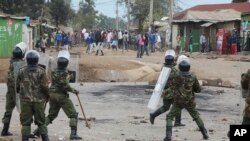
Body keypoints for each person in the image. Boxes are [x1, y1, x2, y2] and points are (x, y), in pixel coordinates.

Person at [33, 51, 82, 140]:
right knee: (73, 115)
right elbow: (64, 86)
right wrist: (74, 91)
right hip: (61, 96)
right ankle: (73, 134)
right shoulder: (65, 73)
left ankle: (38, 131)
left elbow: (59, 81)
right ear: (67, 63)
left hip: (52, 95)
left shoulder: (54, 71)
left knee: (51, 115)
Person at [164, 56, 209, 141]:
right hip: (189, 100)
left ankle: (168, 136)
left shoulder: (176, 76)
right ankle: (205, 133)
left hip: (178, 101)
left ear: (180, 68)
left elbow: (172, 86)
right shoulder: (193, 76)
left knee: (170, 116)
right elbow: (198, 89)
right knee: (196, 116)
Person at [16, 50, 50, 141]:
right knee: (41, 122)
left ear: (27, 60)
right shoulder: (42, 71)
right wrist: (47, 95)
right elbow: (45, 86)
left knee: (26, 123)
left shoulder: (21, 71)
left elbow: (17, 86)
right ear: (37, 60)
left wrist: (19, 91)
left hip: (25, 101)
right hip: (39, 101)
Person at [150, 50, 184, 126]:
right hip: (173, 91)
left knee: (166, 107)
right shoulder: (174, 70)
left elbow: (170, 66)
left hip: (165, 91)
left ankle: (153, 115)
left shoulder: (164, 67)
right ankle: (177, 122)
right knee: (178, 105)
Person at [1, 42, 27, 136]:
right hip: (16, 90)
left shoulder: (12, 61)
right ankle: (25, 131)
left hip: (10, 90)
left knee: (8, 109)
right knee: (23, 109)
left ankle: (4, 130)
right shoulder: (21, 64)